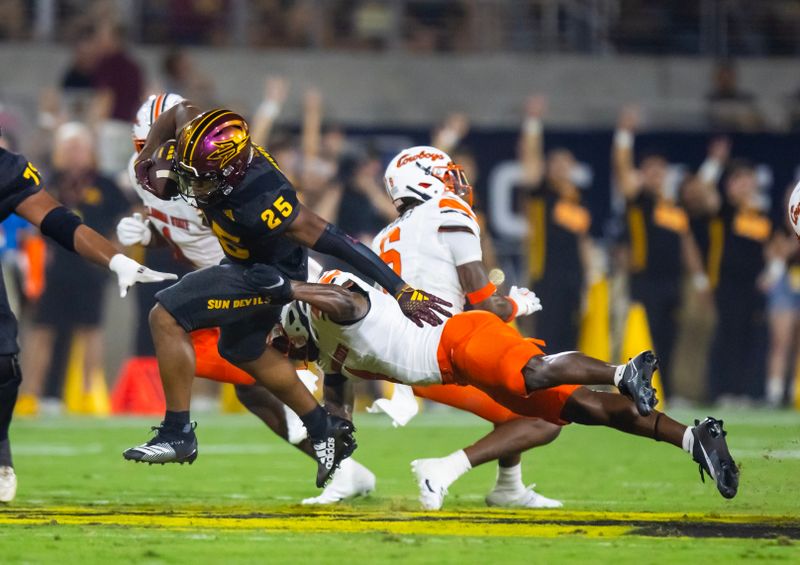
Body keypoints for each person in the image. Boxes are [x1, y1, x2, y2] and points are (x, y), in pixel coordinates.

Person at [122, 102, 450, 489]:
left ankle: (178, 431)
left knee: (166, 315)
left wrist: (400, 289)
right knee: (239, 350)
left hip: (266, 276)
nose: (193, 188)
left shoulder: (263, 202)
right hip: (242, 265)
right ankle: (322, 427)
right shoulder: (211, 148)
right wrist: (150, 153)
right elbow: (180, 112)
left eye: (203, 179)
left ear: (229, 173)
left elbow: (339, 241)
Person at [262, 267, 739, 504]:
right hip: (458, 368)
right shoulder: (327, 353)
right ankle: (693, 438)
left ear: (298, 322)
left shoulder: (328, 302)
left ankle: (620, 371)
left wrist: (289, 289)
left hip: (458, 340)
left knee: (532, 372)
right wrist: (333, 438)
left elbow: (346, 301)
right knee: (582, 410)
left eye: (286, 342)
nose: (290, 353)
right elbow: (336, 398)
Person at [370, 145, 562, 509]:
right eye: (445, 175)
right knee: (546, 412)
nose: (454, 183)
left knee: (515, 385)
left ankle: (509, 486)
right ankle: (443, 469)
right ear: (421, 180)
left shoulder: (384, 237)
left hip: (403, 355)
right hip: (443, 354)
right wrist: (516, 303)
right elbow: (482, 304)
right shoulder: (445, 211)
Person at [0, 142, 175, 503]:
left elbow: (55, 218)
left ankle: (0, 449)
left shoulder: (5, 168)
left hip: (78, 278)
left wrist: (116, 260)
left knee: (2, 363)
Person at [19, 122, 131, 413]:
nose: (74, 154)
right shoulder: (48, 182)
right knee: (43, 329)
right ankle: (33, 394)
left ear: (90, 151)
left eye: (79, 147)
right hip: (54, 267)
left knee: (90, 329)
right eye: (68, 148)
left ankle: (86, 395)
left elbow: (125, 219)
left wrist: (114, 252)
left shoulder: (105, 184)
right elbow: (29, 225)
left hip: (90, 267)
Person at [613, 106, 710, 399]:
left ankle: (663, 391)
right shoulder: (639, 199)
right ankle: (636, 389)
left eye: (660, 170)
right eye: (651, 170)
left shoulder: (673, 206)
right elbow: (622, 170)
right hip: (644, 278)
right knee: (645, 337)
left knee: (669, 339)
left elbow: (687, 242)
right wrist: (624, 135)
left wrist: (700, 279)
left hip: (672, 280)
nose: (656, 175)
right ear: (643, 174)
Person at [518, 96, 592, 351]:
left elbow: (583, 240)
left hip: (574, 277)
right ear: (548, 168)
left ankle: (567, 387)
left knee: (571, 336)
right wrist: (533, 123)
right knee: (546, 335)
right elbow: (529, 162)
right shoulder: (541, 193)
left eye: (566, 163)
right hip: (546, 274)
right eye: (556, 163)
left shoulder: (577, 200)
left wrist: (590, 277)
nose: (561, 167)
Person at [700, 160, 772, 404]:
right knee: (726, 336)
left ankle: (745, 391)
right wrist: (714, 163)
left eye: (748, 180)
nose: (745, 186)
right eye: (739, 180)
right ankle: (723, 391)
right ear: (730, 185)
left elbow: (769, 248)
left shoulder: (761, 214)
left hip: (753, 286)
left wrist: (771, 271)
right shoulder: (724, 209)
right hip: (726, 283)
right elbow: (704, 193)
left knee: (750, 337)